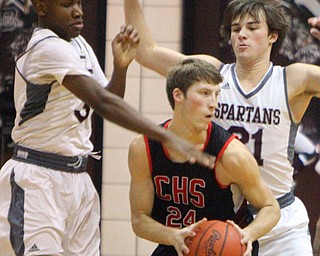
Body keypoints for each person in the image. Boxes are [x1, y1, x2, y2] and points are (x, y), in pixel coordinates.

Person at [0, 1, 217, 256]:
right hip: (38, 179)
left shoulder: (78, 44)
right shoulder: (46, 48)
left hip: (78, 178)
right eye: (67, 4)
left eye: (79, 3)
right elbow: (103, 103)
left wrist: (121, 67)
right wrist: (165, 135)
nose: (78, 11)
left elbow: (108, 96)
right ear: (41, 7)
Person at [124, 0, 320, 255]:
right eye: (236, 28)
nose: (242, 34)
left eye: (252, 27)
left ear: (273, 35)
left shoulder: (293, 78)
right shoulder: (211, 74)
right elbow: (146, 52)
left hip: (279, 218)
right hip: (227, 220)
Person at [128, 58, 280, 256]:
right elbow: (139, 219)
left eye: (216, 94)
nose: (213, 104)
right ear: (178, 95)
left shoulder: (231, 155)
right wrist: (172, 235)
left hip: (225, 248)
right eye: (205, 93)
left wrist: (247, 235)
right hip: (176, 244)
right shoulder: (144, 148)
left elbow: (271, 208)